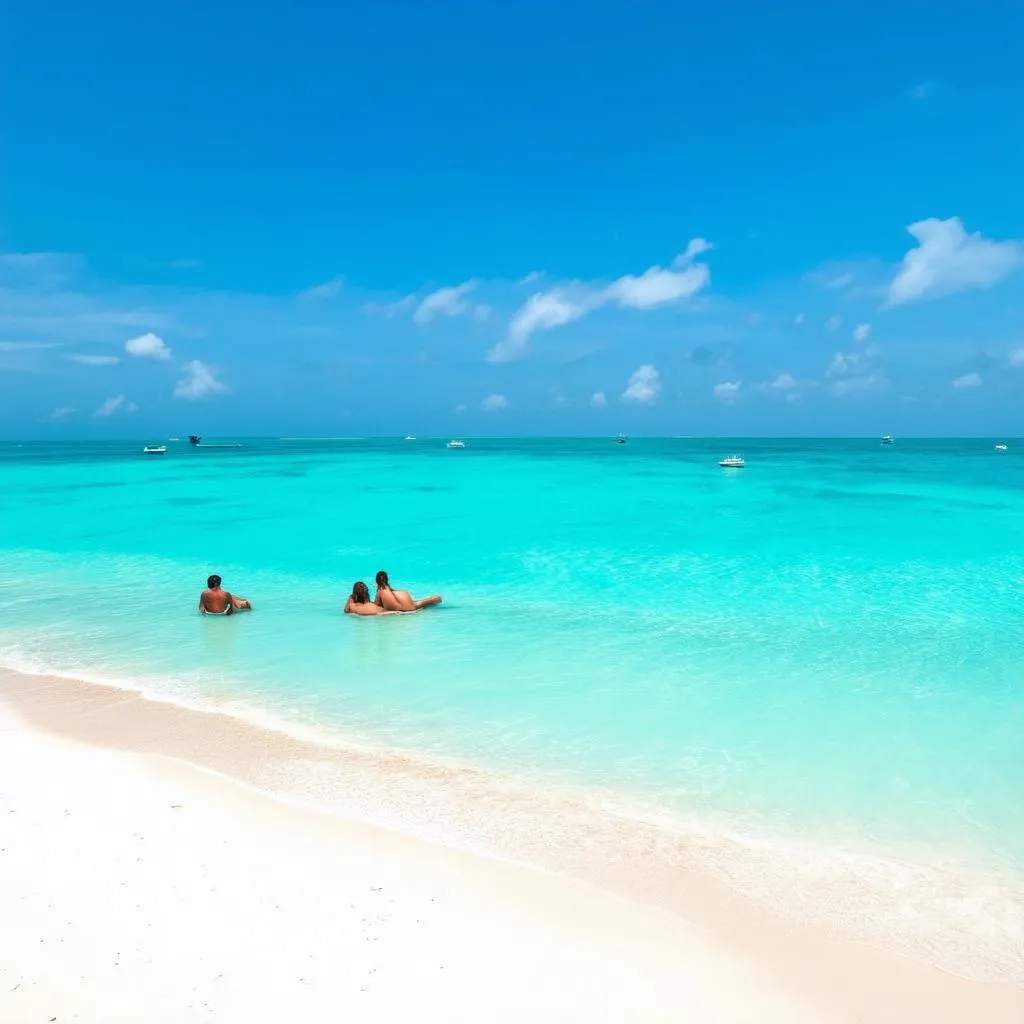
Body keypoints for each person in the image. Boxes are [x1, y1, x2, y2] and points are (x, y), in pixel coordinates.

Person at [374, 570, 442, 612]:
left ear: (377, 581)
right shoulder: (397, 592)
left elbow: (376, 606)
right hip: (412, 608)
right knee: (417, 603)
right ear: (387, 579)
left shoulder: (380, 591)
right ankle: (435, 598)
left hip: (401, 611)